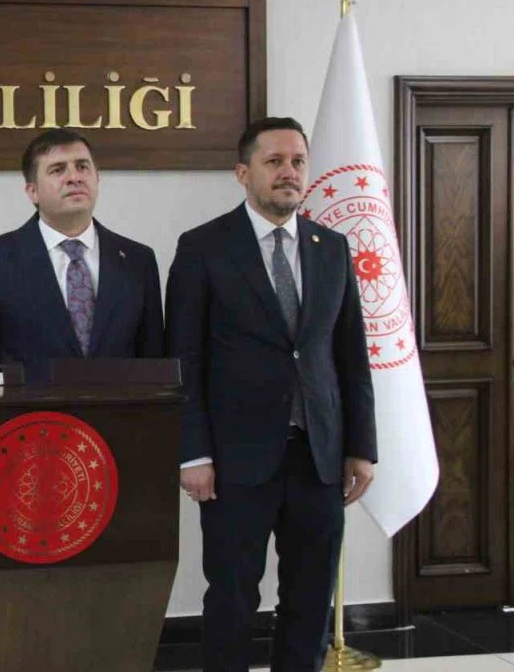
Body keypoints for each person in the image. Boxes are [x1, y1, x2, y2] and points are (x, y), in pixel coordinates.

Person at [165, 117, 377, 672]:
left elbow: (351, 356)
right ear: (243, 173)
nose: (289, 172)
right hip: (235, 461)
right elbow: (184, 360)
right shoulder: (203, 247)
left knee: (309, 598)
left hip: (319, 456)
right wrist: (193, 452)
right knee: (233, 598)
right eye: (274, 161)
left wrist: (362, 447)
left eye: (298, 161)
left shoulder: (331, 247)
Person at [0, 128, 163, 380]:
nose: (74, 177)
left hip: (120, 406)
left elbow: (154, 369)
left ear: (98, 178)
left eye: (82, 166)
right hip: (27, 406)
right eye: (58, 170)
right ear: (32, 191)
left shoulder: (138, 260)